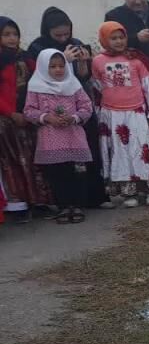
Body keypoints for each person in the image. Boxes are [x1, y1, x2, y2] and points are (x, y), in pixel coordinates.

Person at [28, 7, 109, 208]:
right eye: (58, 35)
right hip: (49, 109)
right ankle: (65, 203)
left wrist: (82, 63)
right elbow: (39, 75)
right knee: (58, 164)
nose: (64, 38)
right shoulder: (38, 47)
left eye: (67, 34)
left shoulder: (77, 44)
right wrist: (63, 60)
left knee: (88, 151)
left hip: (76, 103)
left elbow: (83, 78)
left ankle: (94, 196)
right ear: (48, 32)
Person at [92, 21, 149, 208]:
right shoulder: (98, 61)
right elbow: (97, 87)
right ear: (104, 40)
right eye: (113, 38)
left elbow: (148, 88)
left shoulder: (136, 59)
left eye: (121, 37)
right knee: (120, 153)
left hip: (137, 112)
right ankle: (128, 193)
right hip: (113, 114)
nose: (118, 41)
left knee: (144, 149)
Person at [23, 49, 93, 224]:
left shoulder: (73, 85)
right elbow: (28, 111)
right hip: (50, 138)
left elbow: (86, 106)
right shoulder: (36, 87)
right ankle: (63, 207)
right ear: (42, 67)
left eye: (61, 65)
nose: (58, 70)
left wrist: (74, 117)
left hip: (73, 136)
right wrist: (47, 118)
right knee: (57, 174)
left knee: (76, 172)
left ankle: (76, 206)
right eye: (52, 66)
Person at [0, 16, 48, 222]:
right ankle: (16, 205)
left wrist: (32, 111)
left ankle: (39, 201)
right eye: (6, 34)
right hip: (6, 121)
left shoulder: (26, 57)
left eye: (15, 34)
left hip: (29, 116)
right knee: (13, 162)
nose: (12, 38)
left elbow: (40, 80)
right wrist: (11, 113)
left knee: (34, 159)